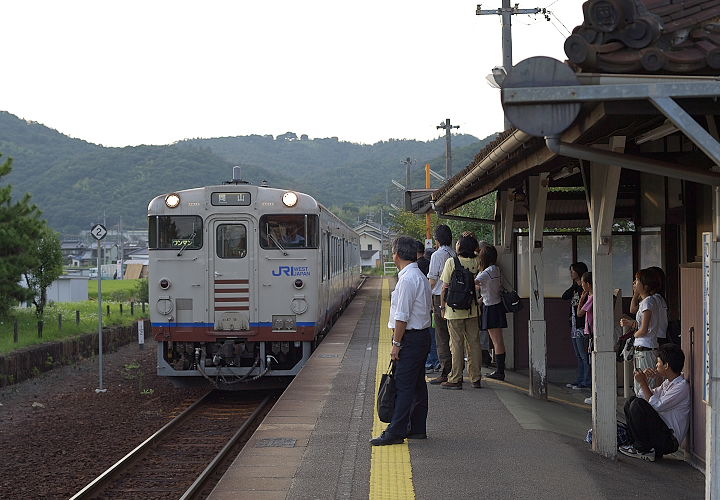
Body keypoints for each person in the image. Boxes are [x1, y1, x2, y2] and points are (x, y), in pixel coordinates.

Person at [370, 236, 432, 446]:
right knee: (416, 384)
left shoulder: (407, 279)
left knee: (404, 386)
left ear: (396, 255)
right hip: (422, 336)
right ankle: (417, 428)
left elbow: (402, 316)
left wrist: (396, 344)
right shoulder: (419, 275)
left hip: (411, 339)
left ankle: (395, 431)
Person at [619, 343, 690, 462]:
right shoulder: (668, 383)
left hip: (669, 440)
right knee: (631, 401)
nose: (656, 365)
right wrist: (645, 380)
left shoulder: (681, 387)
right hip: (660, 433)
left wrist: (643, 383)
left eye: (658, 362)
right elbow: (644, 396)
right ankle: (638, 444)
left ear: (666, 365)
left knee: (637, 405)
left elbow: (657, 406)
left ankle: (644, 449)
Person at [439, 234, 483, 389]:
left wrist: (442, 307)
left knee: (456, 344)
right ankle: (475, 377)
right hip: (472, 309)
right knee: (474, 344)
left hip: (454, 310)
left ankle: (455, 378)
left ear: (460, 247)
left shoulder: (451, 262)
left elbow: (444, 287)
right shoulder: (477, 261)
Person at [620, 268, 668, 396]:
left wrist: (634, 334)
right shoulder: (646, 301)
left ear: (645, 286)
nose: (634, 283)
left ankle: (645, 412)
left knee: (645, 386)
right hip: (644, 348)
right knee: (641, 384)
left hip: (646, 348)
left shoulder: (648, 302)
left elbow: (644, 329)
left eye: (637, 281)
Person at [427, 225, 456, 385]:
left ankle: (445, 371)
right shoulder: (453, 253)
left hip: (440, 299)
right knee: (454, 336)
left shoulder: (437, 255)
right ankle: (455, 370)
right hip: (455, 298)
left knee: (441, 336)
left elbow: (432, 281)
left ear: (437, 240)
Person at [475, 244, 508, 380]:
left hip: (491, 307)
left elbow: (474, 282)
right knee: (498, 341)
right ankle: (500, 370)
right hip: (496, 305)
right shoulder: (496, 269)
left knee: (496, 341)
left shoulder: (487, 271)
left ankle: (500, 372)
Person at [562, 262, 591, 390]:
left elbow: (583, 311)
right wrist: (575, 285)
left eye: (572, 271)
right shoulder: (575, 287)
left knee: (584, 355)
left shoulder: (586, 291)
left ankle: (586, 381)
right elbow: (564, 296)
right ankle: (580, 379)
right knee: (579, 356)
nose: (570, 273)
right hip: (574, 325)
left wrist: (580, 289)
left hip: (582, 325)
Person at [630, 266, 668, 344]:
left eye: (638, 280)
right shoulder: (658, 298)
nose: (634, 283)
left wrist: (636, 293)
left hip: (654, 338)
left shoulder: (651, 300)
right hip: (659, 336)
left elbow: (632, 310)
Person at [422, 247, 441, 372]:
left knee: (431, 335)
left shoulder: (423, 269)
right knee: (438, 335)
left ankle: (430, 361)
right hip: (441, 304)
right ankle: (437, 360)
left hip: (432, 305)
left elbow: (430, 285)